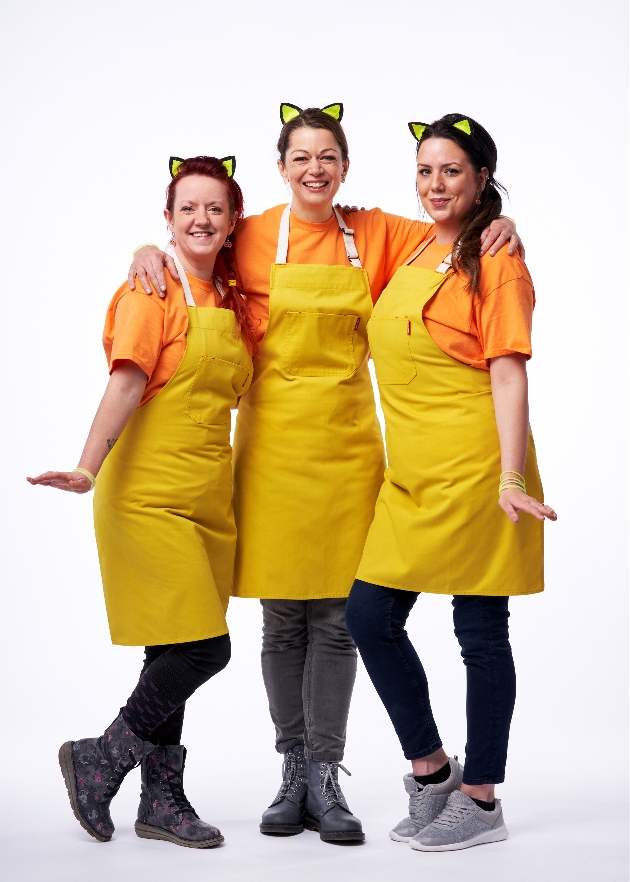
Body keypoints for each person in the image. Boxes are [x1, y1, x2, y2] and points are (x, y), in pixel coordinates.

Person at [128, 105, 522, 843]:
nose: (315, 168)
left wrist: (505, 227)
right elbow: (195, 239)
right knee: (281, 622)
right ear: (281, 168)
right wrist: (147, 249)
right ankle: (291, 771)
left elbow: (457, 233)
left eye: (328, 156)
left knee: (343, 622)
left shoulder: (377, 233)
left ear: (345, 167)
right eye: (301, 156)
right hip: (270, 449)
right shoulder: (249, 233)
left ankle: (326, 777)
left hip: (350, 455)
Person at [28, 156, 256, 848]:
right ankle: (101, 757)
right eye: (188, 208)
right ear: (167, 217)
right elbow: (126, 383)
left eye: (215, 209)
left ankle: (163, 802)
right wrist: (87, 467)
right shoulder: (148, 292)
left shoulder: (239, 301)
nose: (201, 220)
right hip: (147, 493)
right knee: (203, 648)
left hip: (208, 497)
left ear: (232, 221)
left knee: (170, 645)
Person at [344, 114, 557, 852]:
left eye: (453, 172)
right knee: (369, 616)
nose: (436, 185)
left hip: (476, 466)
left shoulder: (496, 262)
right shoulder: (409, 244)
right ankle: (433, 773)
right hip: (412, 471)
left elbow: (507, 370)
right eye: (426, 170)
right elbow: (315, 217)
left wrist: (509, 473)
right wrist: (153, 244)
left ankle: (482, 797)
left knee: (480, 631)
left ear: (482, 181)